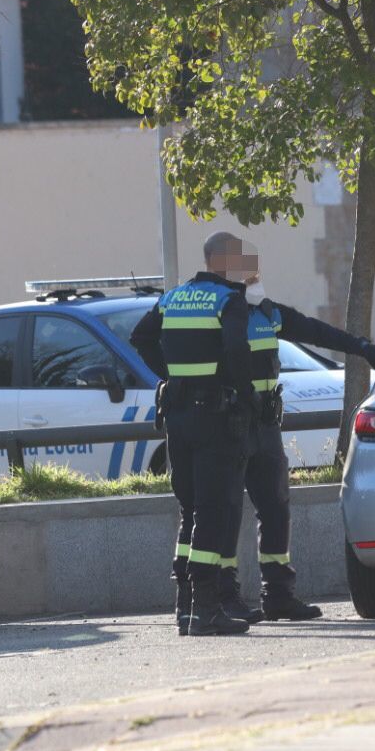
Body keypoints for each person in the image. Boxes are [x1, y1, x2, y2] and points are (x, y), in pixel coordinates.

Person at [234, 264, 375, 621]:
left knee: (275, 509)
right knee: (225, 512)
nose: (255, 284)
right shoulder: (220, 313)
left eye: (256, 277)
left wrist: (363, 348)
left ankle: (277, 595)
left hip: (264, 426)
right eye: (248, 279)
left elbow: (316, 331)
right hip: (229, 426)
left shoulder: (268, 313)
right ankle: (225, 599)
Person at [130, 231, 257, 636]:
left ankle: (184, 607)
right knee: (213, 509)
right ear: (222, 261)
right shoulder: (228, 301)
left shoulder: (173, 298)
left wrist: (172, 374)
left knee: (189, 509)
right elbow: (238, 353)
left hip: (178, 417)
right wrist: (245, 396)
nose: (245, 264)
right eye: (239, 257)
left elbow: (141, 337)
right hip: (215, 417)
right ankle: (205, 609)